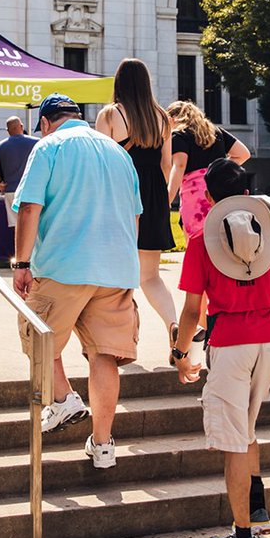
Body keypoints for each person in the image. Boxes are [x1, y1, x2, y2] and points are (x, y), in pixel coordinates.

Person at [12, 93, 142, 470]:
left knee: (38, 334)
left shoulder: (48, 146)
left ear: (46, 122)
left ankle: (64, 398)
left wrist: (22, 262)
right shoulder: (119, 153)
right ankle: (103, 445)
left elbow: (30, 206)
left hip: (64, 263)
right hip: (116, 268)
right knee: (104, 355)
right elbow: (135, 215)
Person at [173, 158, 270, 538]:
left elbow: (191, 310)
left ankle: (243, 537)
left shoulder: (201, 241)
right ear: (246, 193)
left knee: (233, 442)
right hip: (269, 337)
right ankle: (256, 514)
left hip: (230, 342)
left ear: (208, 196)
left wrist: (179, 352)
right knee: (248, 429)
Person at [95, 59, 178, 352]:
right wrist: (159, 200)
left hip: (122, 197)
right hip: (154, 195)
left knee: (119, 274)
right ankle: (173, 323)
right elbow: (166, 165)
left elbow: (101, 166)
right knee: (150, 276)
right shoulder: (162, 117)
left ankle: (124, 339)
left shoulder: (110, 115)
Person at [167, 100, 251, 239]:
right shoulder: (215, 132)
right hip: (219, 192)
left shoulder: (179, 135)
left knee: (196, 241)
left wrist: (168, 198)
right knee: (220, 241)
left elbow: (179, 165)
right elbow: (243, 154)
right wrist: (221, 169)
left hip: (193, 196)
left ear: (173, 118)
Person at [0, 116, 38, 194]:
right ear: (21, 126)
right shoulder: (37, 142)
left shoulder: (0, 146)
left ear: (8, 130)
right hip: (32, 190)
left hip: (10, 190)